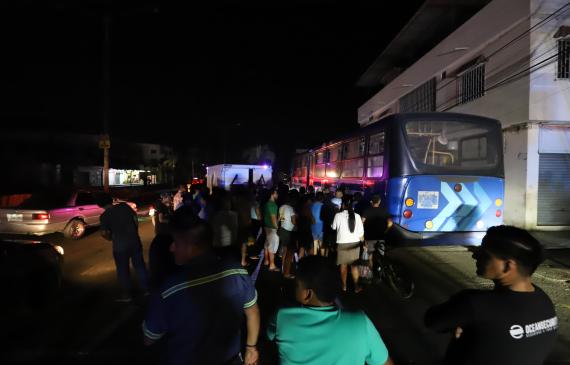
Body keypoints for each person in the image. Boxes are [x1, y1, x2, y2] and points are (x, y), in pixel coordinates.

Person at [143, 206, 260, 365]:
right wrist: (251, 348)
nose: (171, 248)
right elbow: (252, 311)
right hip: (231, 359)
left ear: (192, 247)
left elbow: (149, 338)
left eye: (176, 242)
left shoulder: (169, 290)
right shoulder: (236, 272)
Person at [425, 226, 558, 365]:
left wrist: (461, 317)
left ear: (507, 266)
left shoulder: (474, 304)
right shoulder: (544, 301)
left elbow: (432, 321)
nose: (474, 255)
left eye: (484, 253)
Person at [267, 256, 393, 365]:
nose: (294, 288)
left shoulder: (282, 317)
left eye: (296, 285)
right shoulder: (361, 324)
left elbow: (269, 335)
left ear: (307, 294)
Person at [98, 193, 149, 302]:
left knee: (123, 270)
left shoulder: (105, 216)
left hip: (120, 246)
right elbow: (135, 219)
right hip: (134, 241)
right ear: (111, 200)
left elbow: (104, 233)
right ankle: (146, 289)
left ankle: (127, 295)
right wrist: (134, 231)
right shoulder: (125, 207)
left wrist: (110, 238)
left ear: (99, 205)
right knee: (140, 266)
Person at [331, 197, 364, 293]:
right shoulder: (357, 216)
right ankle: (356, 287)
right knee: (354, 266)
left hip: (342, 244)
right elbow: (361, 233)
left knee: (343, 266)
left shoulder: (338, 215)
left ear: (343, 205)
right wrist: (363, 243)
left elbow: (333, 227)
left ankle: (344, 286)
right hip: (355, 244)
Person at [362, 194, 392, 268]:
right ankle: (380, 270)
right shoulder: (384, 210)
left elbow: (361, 222)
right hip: (381, 237)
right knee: (380, 255)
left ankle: (371, 271)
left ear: (371, 201)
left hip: (369, 237)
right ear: (379, 201)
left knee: (370, 256)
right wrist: (386, 231)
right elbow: (390, 223)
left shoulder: (367, 210)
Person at [210, 193, 239, 259]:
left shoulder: (214, 215)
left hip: (217, 242)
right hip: (230, 242)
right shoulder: (234, 214)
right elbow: (236, 227)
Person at [278, 191, 296, 278]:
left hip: (282, 229)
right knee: (289, 252)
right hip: (289, 231)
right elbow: (293, 221)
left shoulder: (281, 207)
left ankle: (282, 267)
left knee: (284, 250)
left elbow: (281, 218)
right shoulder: (291, 208)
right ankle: (286, 273)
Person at [263, 188, 280, 271]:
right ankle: (272, 265)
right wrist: (277, 227)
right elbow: (273, 218)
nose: (277, 195)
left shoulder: (266, 204)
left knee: (267, 244)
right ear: (272, 194)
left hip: (266, 226)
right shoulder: (272, 205)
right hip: (272, 228)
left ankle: (266, 261)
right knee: (272, 247)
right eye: (276, 193)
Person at [320, 185, 337, 257]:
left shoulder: (324, 205)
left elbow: (321, 217)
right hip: (333, 226)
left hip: (326, 225)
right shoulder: (335, 205)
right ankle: (331, 255)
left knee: (325, 242)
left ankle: (324, 257)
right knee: (332, 242)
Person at [311, 192, 324, 256]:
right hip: (321, 226)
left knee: (315, 242)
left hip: (313, 225)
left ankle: (315, 256)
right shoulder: (323, 206)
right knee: (321, 243)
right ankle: (322, 258)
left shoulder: (312, 205)